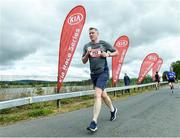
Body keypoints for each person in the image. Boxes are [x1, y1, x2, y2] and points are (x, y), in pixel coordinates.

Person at [82, 27, 119, 132]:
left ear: (97, 34)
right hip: (93, 74)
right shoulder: (86, 46)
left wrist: (108, 54)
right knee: (103, 95)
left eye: (92, 33)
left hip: (103, 72)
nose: (91, 35)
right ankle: (113, 110)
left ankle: (94, 122)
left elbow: (116, 52)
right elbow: (84, 61)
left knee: (97, 95)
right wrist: (87, 54)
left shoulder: (103, 44)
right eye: (89, 33)